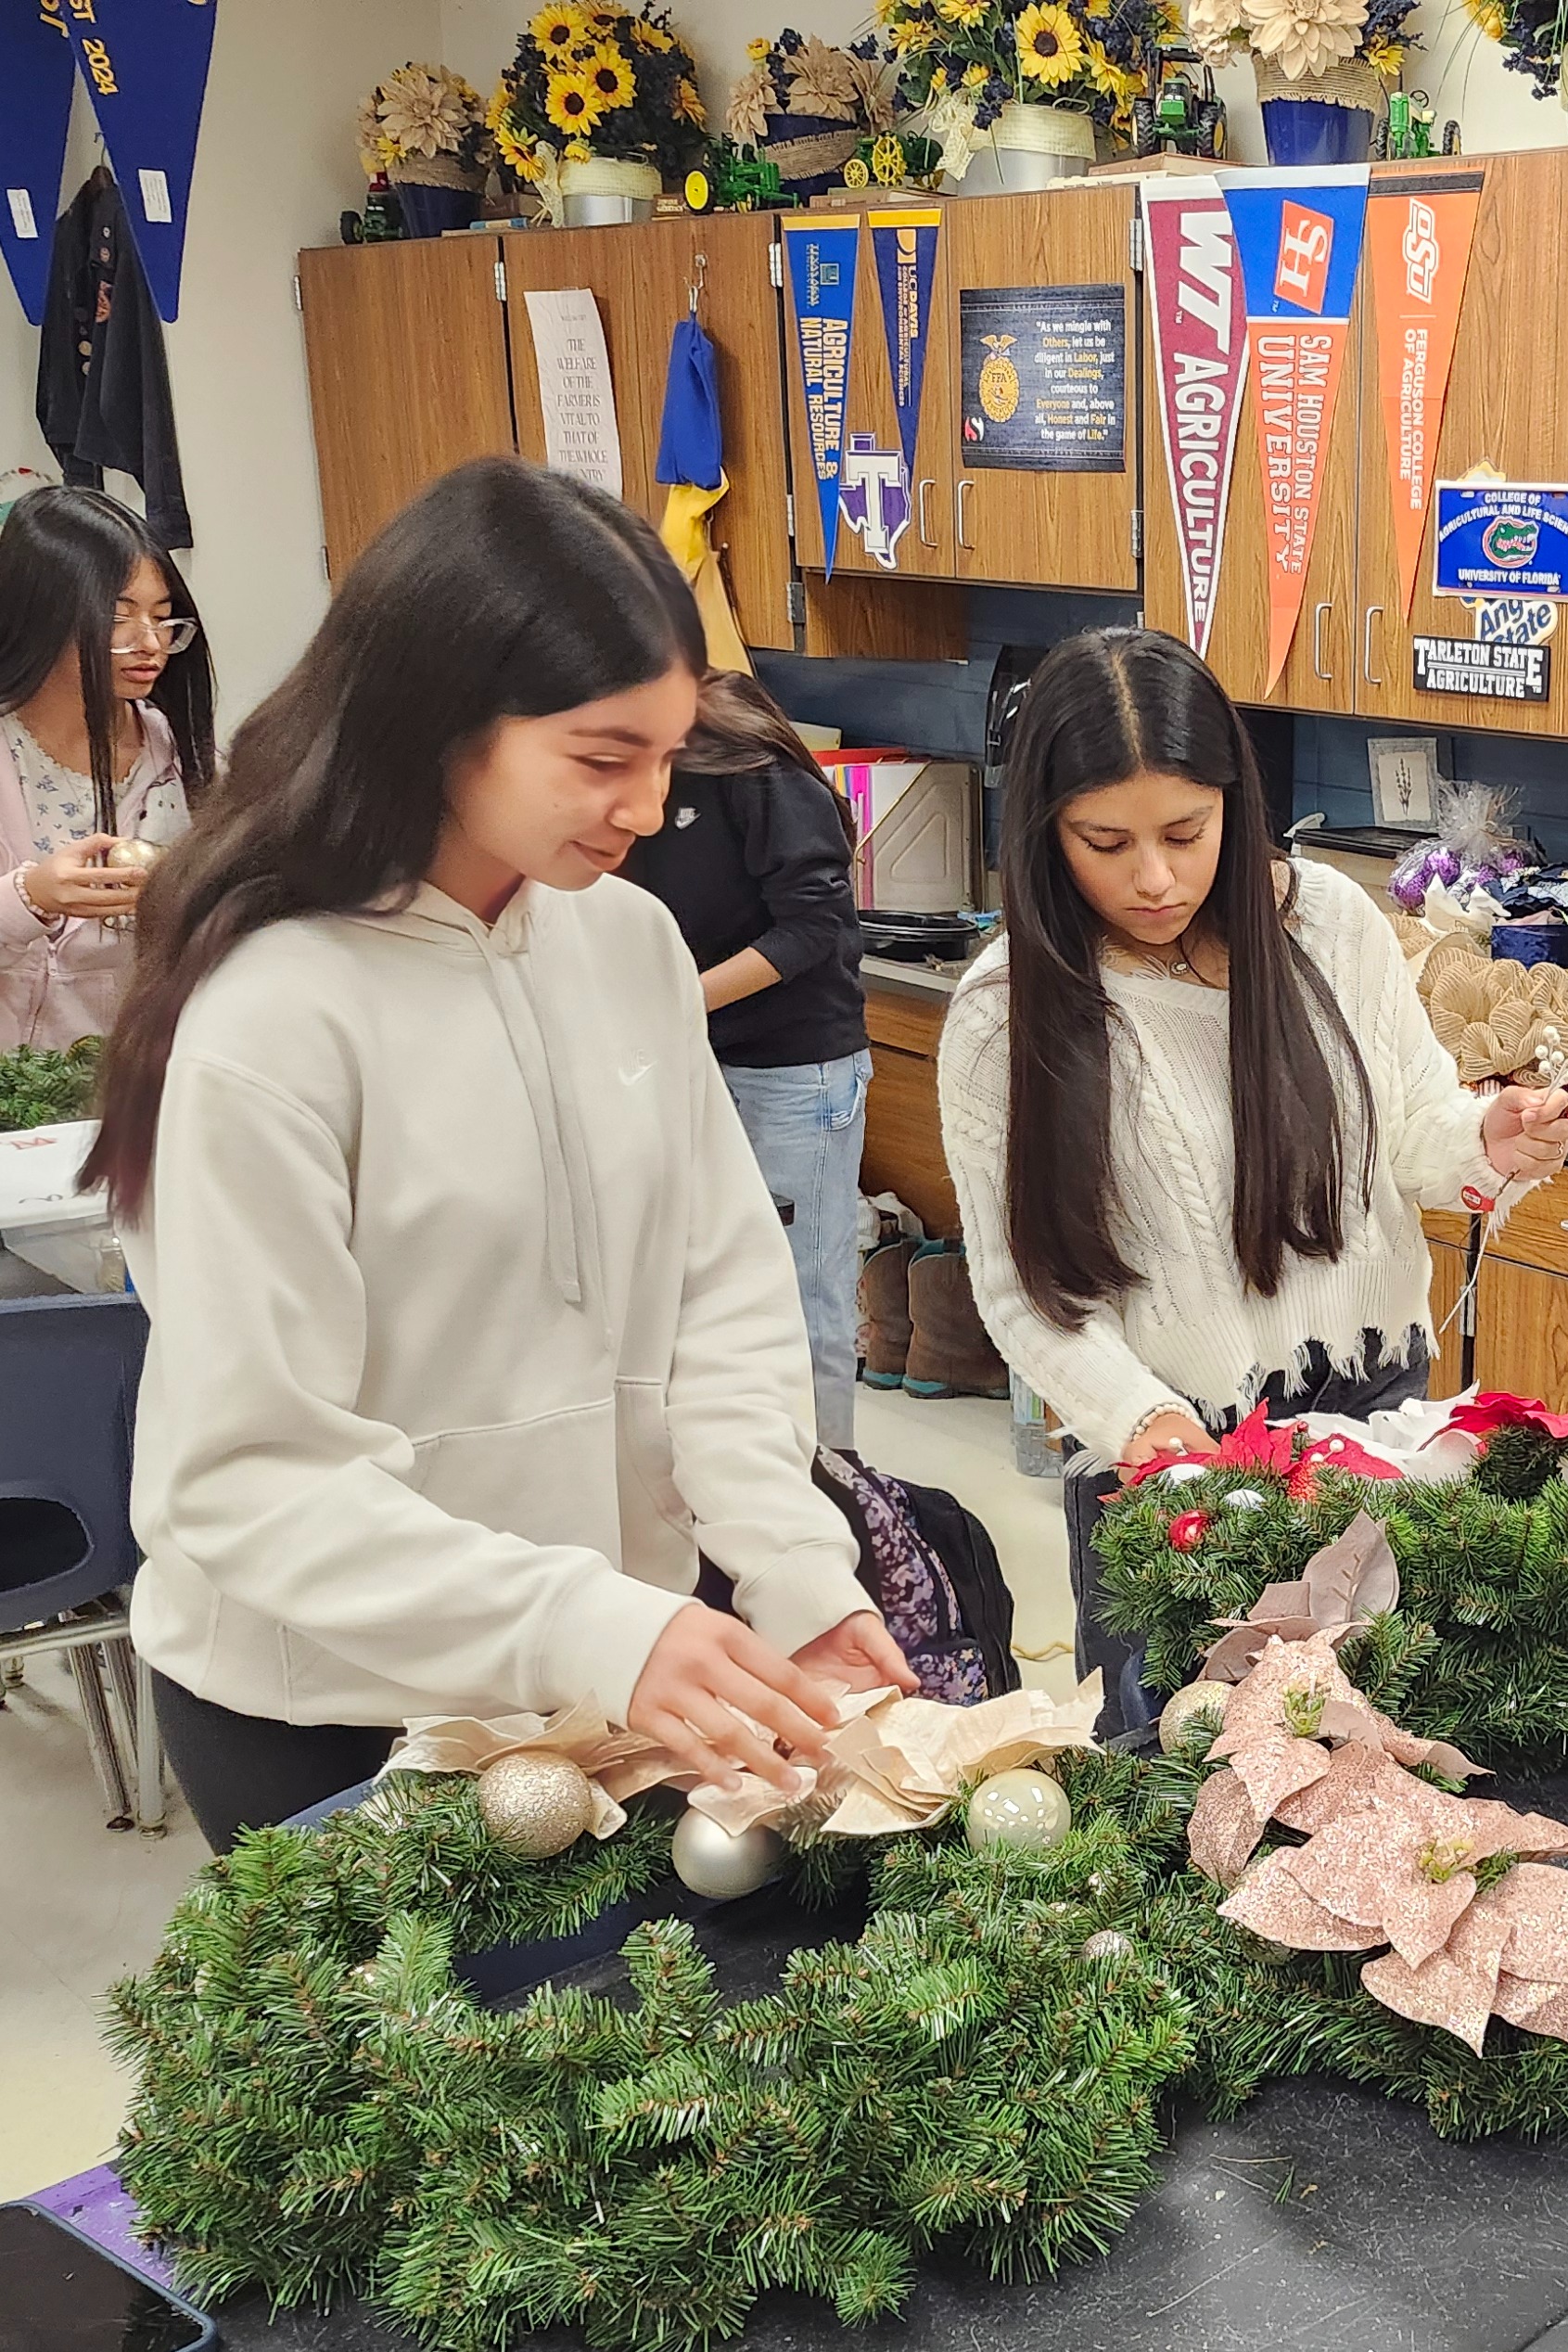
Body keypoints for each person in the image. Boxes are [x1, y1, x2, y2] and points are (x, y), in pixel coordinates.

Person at [82, 456, 911, 1851]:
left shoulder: (629, 943)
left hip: (601, 1680)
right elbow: (244, 1475)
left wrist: (793, 1572)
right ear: (438, 721)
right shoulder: (271, 1010)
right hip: (329, 1711)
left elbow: (719, 1299)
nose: (647, 810)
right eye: (601, 760)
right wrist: (592, 1621)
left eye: (666, 759)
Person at [938, 627, 1568, 1726]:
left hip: (1365, 1416)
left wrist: (1490, 1142)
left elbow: (1412, 1123)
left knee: (1371, 1748)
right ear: (1044, 833)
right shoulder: (1007, 1015)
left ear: (1236, 801)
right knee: (1177, 1758)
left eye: (1187, 833)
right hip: (1166, 1456)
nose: (1154, 878)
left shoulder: (1324, 922)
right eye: (1105, 841)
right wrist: (1139, 1422)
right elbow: (1023, 1293)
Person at [623, 668, 872, 1447]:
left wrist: (672, 1000)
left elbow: (812, 929)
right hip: (691, 1060)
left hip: (796, 1073)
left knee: (802, 1296)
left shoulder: (746, 765)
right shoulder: (624, 777)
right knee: (699, 1293)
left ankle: (837, 1488)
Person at [0, 483, 214, 1048]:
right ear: (40, 615)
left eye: (164, 620)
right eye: (120, 617)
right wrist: (31, 898)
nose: (151, 644)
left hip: (140, 1082)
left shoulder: (183, 758)